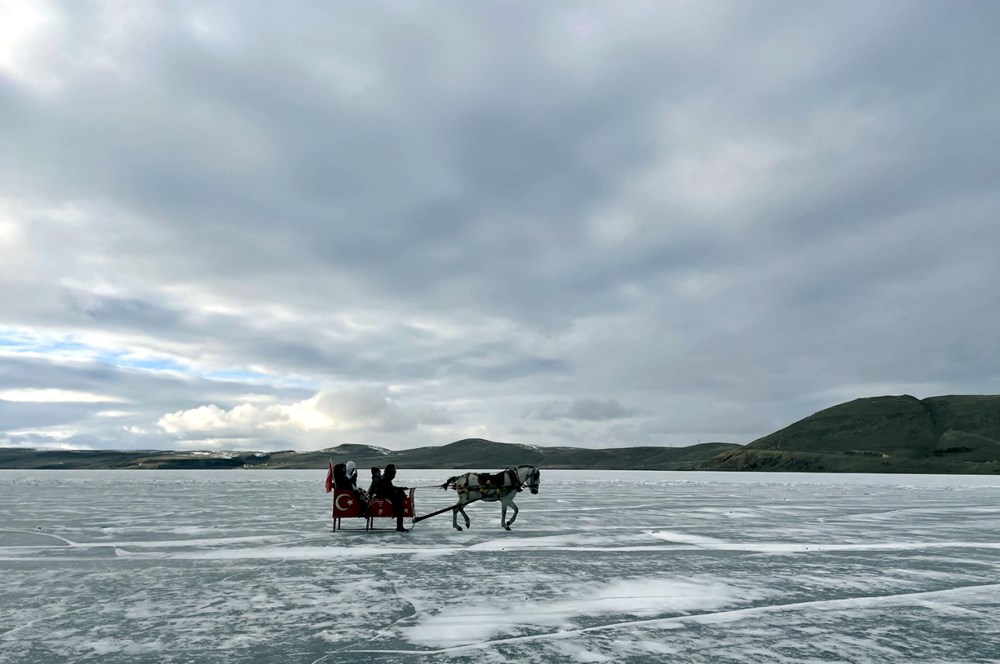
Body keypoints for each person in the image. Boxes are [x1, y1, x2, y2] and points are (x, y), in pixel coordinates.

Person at [372, 464, 408, 532]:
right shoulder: (386, 477)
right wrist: (399, 489)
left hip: (384, 493)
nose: (395, 472)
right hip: (383, 494)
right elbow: (389, 488)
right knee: (399, 507)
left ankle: (399, 526)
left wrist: (400, 489)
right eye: (394, 470)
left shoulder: (385, 477)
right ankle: (399, 527)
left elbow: (390, 487)